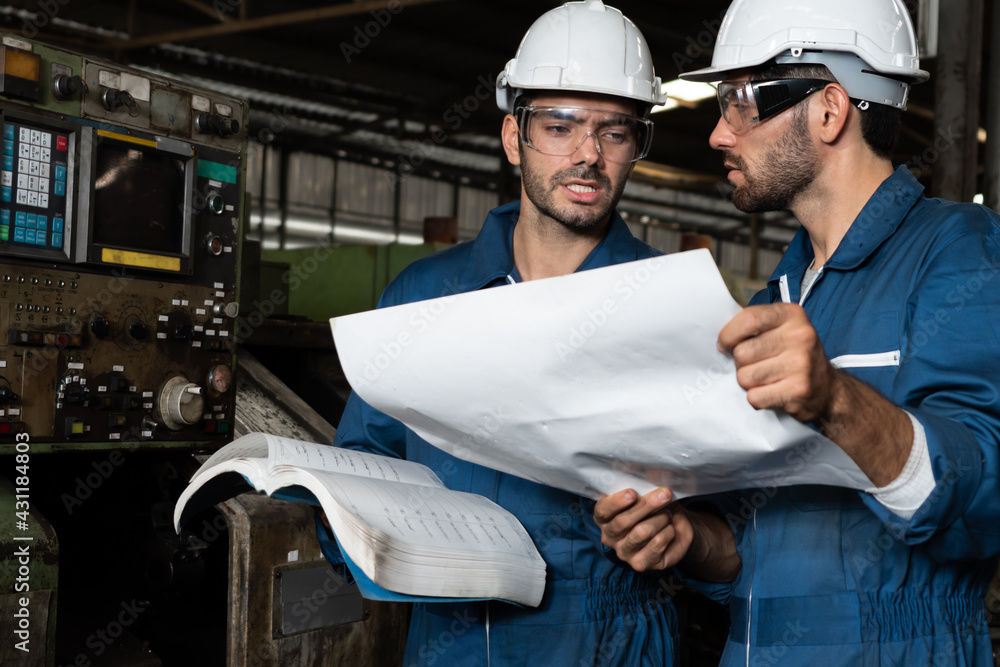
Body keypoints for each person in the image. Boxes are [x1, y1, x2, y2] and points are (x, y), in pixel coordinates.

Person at [321, 1, 737, 665]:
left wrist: (687, 539)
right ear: (514, 137)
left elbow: (737, 536)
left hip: (615, 645)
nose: (587, 156)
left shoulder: (680, 310)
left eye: (615, 132)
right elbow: (362, 475)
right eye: (559, 125)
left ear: (636, 148)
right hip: (449, 643)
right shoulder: (423, 300)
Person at [595, 0, 1000, 664]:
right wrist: (689, 539)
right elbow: (752, 553)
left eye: (741, 102)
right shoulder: (776, 297)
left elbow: (985, 497)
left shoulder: (958, 252)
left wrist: (837, 400)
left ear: (830, 109)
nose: (719, 134)